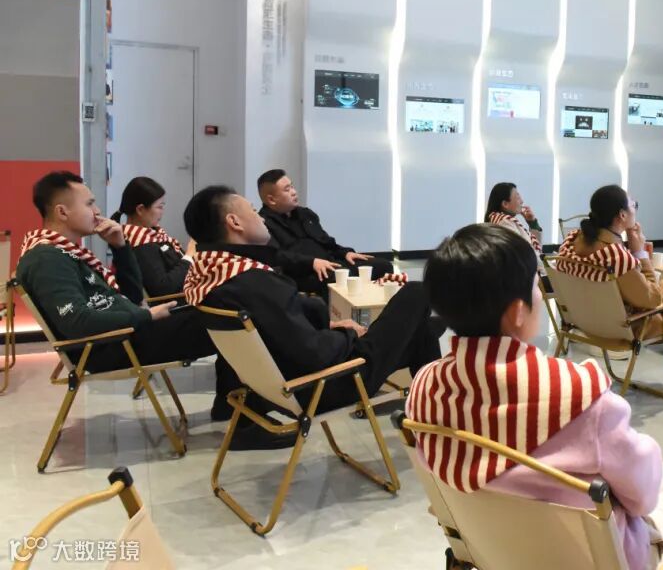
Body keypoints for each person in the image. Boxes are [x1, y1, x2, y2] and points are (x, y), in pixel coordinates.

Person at [409, 224, 663, 570]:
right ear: (517, 312)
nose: (539, 294)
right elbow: (642, 498)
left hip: (495, 550)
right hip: (605, 560)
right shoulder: (576, 394)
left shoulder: (425, 390)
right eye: (536, 285)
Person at [14, 172, 283, 449]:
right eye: (90, 204)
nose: (97, 211)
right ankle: (245, 423)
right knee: (235, 319)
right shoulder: (47, 259)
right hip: (110, 345)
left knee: (229, 308)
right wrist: (146, 315)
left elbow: (131, 296)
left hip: (123, 333)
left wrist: (120, 247)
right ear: (62, 212)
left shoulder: (65, 252)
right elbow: (77, 322)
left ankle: (235, 410)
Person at [182, 185, 444, 416]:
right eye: (252, 210)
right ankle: (438, 408)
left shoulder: (215, 277)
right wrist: (349, 335)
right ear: (234, 222)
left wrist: (332, 326)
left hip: (280, 386)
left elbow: (286, 332)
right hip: (326, 384)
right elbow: (315, 353)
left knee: (422, 333)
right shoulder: (253, 282)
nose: (259, 217)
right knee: (416, 292)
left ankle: (430, 410)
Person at [556, 185, 663, 391]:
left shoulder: (571, 242)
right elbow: (652, 300)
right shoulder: (615, 256)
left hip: (585, 321)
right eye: (634, 205)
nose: (636, 209)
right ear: (622, 215)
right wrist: (640, 253)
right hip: (628, 326)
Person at [256, 169, 395, 298]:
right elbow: (278, 257)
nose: (294, 192)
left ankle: (380, 310)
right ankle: (344, 315)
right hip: (304, 272)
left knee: (383, 266)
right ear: (271, 199)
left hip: (331, 262)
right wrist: (312, 262)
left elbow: (326, 241)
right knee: (342, 277)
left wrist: (345, 253)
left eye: (292, 186)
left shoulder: (305, 214)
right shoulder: (263, 224)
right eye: (287, 190)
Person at [109, 176, 190, 299]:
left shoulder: (152, 235)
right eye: (159, 207)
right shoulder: (140, 244)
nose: (162, 212)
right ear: (140, 209)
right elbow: (162, 288)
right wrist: (189, 258)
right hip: (177, 305)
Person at [485, 182, 544, 258]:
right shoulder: (504, 222)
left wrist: (532, 223)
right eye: (517, 197)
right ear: (505, 204)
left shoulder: (500, 220)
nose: (522, 201)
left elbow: (533, 249)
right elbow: (526, 253)